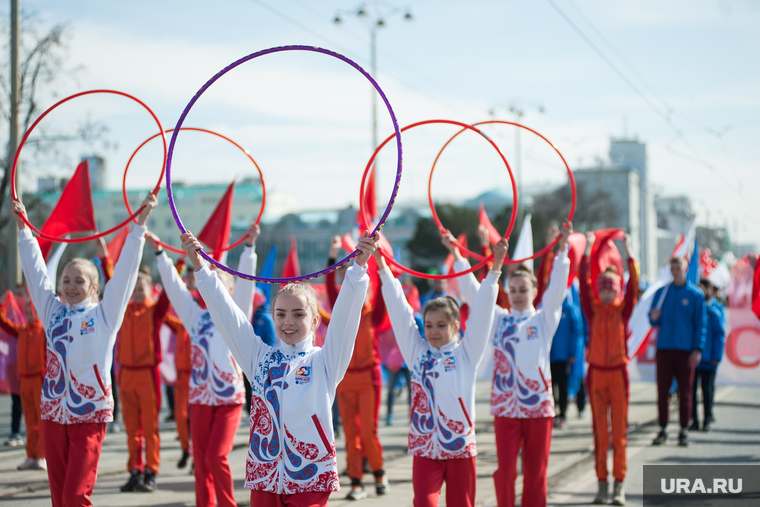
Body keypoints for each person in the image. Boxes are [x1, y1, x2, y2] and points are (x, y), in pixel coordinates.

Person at [184, 227, 377, 507]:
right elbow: (227, 314)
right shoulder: (258, 358)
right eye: (281, 314)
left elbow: (346, 316)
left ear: (314, 321)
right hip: (265, 475)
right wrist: (200, 267)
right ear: (273, 317)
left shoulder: (325, 361)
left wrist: (358, 269)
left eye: (298, 314)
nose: (288, 321)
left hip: (311, 475)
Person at [11, 194, 156, 507]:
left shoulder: (104, 315)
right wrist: (24, 231)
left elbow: (126, 277)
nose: (71, 286)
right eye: (66, 280)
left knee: (76, 496)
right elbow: (36, 275)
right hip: (52, 411)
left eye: (79, 280)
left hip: (89, 412)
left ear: (94, 287)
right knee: (59, 497)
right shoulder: (52, 312)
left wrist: (138, 229)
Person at [378, 234, 507, 507]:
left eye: (441, 325)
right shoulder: (417, 352)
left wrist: (495, 269)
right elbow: (399, 310)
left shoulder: (467, 353)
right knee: (424, 503)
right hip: (425, 450)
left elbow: (483, 311)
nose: (433, 332)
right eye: (429, 325)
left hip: (460, 448)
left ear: (456, 326)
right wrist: (382, 266)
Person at [453, 222, 572, 507]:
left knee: (536, 473)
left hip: (538, 408)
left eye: (523, 289)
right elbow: (473, 293)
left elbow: (557, 288)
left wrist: (563, 249)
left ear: (534, 292)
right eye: (513, 289)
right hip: (505, 407)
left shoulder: (544, 319)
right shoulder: (499, 320)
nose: (518, 294)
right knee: (506, 471)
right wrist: (457, 255)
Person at [151, 225, 257, 507]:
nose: (215, 290)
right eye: (210, 284)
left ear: (230, 290)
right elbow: (174, 289)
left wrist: (248, 249)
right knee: (200, 460)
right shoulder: (195, 317)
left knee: (215, 456)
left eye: (221, 284)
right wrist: (161, 255)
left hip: (228, 399)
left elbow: (246, 285)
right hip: (199, 398)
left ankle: (227, 504)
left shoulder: (237, 316)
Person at [325, 235, 389, 500]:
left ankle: (378, 473)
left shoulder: (374, 313)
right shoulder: (341, 311)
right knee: (351, 433)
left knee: (368, 431)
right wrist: (332, 255)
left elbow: (386, 289)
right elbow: (330, 286)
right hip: (346, 379)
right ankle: (355, 482)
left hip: (369, 378)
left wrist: (381, 263)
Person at [579, 232, 638, 506]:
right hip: (596, 375)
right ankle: (601, 484)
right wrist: (588, 250)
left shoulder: (623, 311)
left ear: (616, 290)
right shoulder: (591, 311)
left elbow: (634, 284)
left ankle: (619, 485)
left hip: (618, 375)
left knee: (619, 434)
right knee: (600, 432)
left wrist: (629, 251)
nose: (604, 293)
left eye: (610, 289)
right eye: (602, 288)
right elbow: (583, 282)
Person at [117, 269, 174, 492]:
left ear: (150, 290)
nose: (138, 292)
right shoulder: (124, 309)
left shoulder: (155, 311)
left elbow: (168, 293)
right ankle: (135, 471)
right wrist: (104, 260)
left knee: (149, 428)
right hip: (127, 375)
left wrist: (175, 264)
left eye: (142, 288)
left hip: (147, 374)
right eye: (135, 288)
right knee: (131, 428)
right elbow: (115, 284)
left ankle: (151, 471)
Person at [649, 257, 706, 447]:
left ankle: (683, 429)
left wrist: (698, 349)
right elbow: (653, 319)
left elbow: (701, 324)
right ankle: (663, 428)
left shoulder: (695, 295)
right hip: (665, 348)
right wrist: (653, 317)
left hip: (685, 350)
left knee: (686, 391)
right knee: (662, 391)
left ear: (685, 268)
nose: (675, 271)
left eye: (678, 267)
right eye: (672, 268)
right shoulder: (662, 292)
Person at [0, 292, 46, 470]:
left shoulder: (44, 332)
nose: (30, 314)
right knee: (30, 420)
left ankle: (42, 455)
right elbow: (3, 322)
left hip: (39, 380)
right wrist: (3, 304)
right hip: (24, 381)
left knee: (42, 420)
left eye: (33, 310)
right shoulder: (22, 331)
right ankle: (31, 455)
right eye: (28, 310)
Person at [690, 278, 725, 433]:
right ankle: (694, 421)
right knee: (691, 390)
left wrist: (716, 356)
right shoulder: (694, 309)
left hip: (709, 359)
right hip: (694, 358)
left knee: (707, 390)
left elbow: (719, 335)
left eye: (704, 288)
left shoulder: (714, 311)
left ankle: (707, 419)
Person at [549, 293, 584, 429]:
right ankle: (552, 413)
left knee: (563, 386)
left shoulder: (570, 309)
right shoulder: (548, 307)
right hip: (550, 356)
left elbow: (577, 332)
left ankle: (562, 413)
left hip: (564, 357)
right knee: (551, 387)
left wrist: (574, 352)